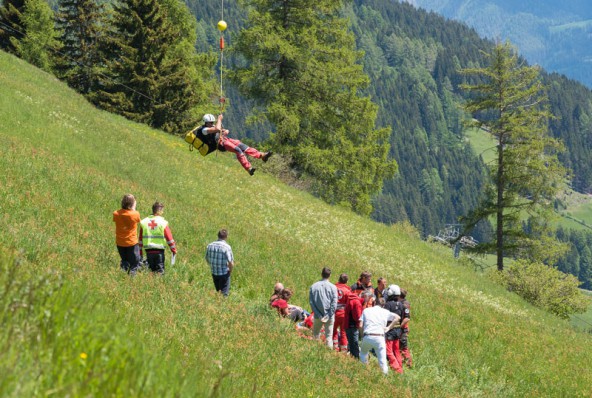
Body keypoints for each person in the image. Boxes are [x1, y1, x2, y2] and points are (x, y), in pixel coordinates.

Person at [196, 113, 272, 175]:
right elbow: (217, 129)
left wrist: (225, 131)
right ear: (205, 123)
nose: (212, 123)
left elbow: (219, 130)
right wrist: (219, 119)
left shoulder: (211, 126)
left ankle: (262, 155)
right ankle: (249, 169)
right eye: (210, 122)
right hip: (221, 144)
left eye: (212, 122)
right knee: (238, 150)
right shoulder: (204, 130)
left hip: (226, 139)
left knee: (243, 147)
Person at [359, 291, 401, 375]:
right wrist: (388, 328)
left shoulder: (366, 310)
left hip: (368, 335)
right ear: (383, 305)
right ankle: (385, 377)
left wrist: (362, 335)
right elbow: (397, 317)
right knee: (382, 361)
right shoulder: (385, 312)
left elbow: (360, 325)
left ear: (374, 303)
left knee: (363, 354)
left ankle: (365, 372)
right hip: (380, 337)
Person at [138, 202, 177, 275]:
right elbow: (169, 238)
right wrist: (173, 249)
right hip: (159, 252)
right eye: (162, 210)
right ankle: (159, 284)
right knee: (160, 270)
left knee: (150, 271)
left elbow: (140, 239)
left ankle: (151, 284)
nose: (163, 212)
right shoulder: (163, 222)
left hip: (148, 251)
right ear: (160, 211)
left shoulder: (144, 222)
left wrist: (140, 252)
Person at [383, 284, 409, 374]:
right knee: (396, 350)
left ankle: (397, 369)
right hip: (398, 330)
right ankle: (400, 365)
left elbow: (385, 317)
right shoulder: (402, 305)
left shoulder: (388, 305)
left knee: (389, 350)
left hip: (390, 331)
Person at [308, 267, 338, 348]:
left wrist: (319, 314)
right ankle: (329, 355)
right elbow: (334, 303)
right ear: (330, 275)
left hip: (318, 315)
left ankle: (315, 350)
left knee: (316, 334)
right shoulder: (333, 287)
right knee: (329, 337)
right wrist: (328, 315)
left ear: (321, 274)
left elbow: (311, 302)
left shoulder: (313, 286)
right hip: (330, 315)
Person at [113, 194, 141, 275]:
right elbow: (137, 220)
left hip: (120, 242)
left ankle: (122, 276)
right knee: (134, 263)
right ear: (132, 204)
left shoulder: (116, 213)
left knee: (124, 261)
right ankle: (131, 280)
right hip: (131, 242)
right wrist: (133, 209)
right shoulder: (135, 214)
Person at [205, 229, 234, 297]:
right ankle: (221, 306)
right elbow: (231, 262)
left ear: (218, 235)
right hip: (224, 273)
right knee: (224, 295)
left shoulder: (210, 245)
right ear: (226, 237)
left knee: (218, 292)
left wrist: (212, 265)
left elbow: (206, 258)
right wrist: (230, 271)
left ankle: (218, 304)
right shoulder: (226, 247)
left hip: (214, 272)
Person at [333, 274, 351, 352]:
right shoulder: (348, 290)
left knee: (333, 330)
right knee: (343, 332)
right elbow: (349, 303)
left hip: (334, 313)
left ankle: (334, 347)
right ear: (346, 281)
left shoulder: (333, 288)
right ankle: (344, 349)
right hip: (343, 314)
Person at [344, 291, 364, 359]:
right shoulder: (357, 302)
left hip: (348, 325)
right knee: (354, 344)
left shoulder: (351, 300)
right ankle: (356, 359)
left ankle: (353, 358)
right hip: (352, 326)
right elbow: (358, 317)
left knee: (351, 344)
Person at [400, 288, 413, 368]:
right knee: (401, 346)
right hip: (405, 327)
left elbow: (407, 317)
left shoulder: (403, 304)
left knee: (403, 346)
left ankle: (408, 363)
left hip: (403, 327)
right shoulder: (406, 302)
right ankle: (403, 361)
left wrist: (400, 326)